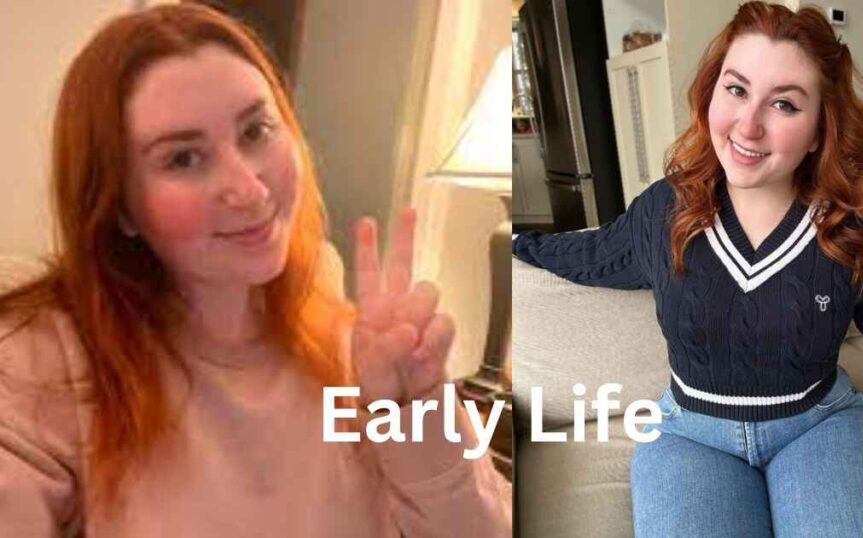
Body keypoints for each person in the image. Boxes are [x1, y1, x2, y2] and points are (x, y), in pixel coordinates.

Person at [0, 4, 511, 536]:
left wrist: (418, 414)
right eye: (183, 158)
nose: (249, 189)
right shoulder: (37, 363)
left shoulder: (355, 350)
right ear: (120, 206)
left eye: (256, 130)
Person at [512, 2, 863, 537]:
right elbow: (595, 255)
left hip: (821, 424)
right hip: (690, 434)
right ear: (711, 93)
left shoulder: (852, 231)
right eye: (736, 89)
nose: (748, 126)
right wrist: (514, 241)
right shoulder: (663, 212)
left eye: (785, 105)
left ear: (821, 129)